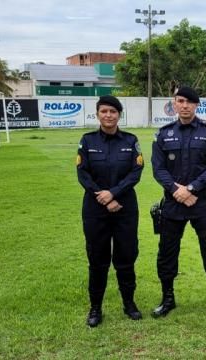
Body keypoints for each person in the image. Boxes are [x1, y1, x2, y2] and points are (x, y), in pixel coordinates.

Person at [151, 86, 206, 318]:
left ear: (197, 105)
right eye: (180, 101)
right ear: (174, 104)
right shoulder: (163, 134)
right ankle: (167, 299)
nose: (184, 105)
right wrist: (176, 190)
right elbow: (158, 168)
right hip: (173, 203)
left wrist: (192, 188)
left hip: (202, 201)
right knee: (167, 252)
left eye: (189, 102)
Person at [76, 95, 144, 327]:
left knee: (126, 258)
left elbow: (135, 173)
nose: (108, 115)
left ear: (119, 115)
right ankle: (95, 308)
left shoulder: (131, 140)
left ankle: (129, 303)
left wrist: (113, 193)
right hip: (95, 209)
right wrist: (104, 198)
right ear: (97, 114)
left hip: (125, 208)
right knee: (97, 260)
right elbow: (83, 174)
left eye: (113, 112)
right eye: (104, 111)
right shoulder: (87, 141)